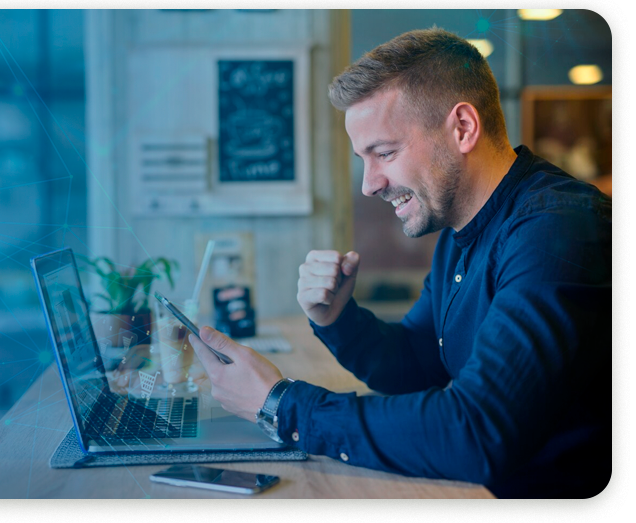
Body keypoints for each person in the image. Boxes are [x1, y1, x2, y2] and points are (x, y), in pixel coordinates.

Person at [188, 28, 611, 499]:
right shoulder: (460, 227)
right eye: (363, 159)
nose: (369, 184)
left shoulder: (558, 230)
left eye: (385, 153)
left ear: (463, 128)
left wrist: (282, 406)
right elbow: (417, 362)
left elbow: (476, 430)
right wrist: (338, 320)